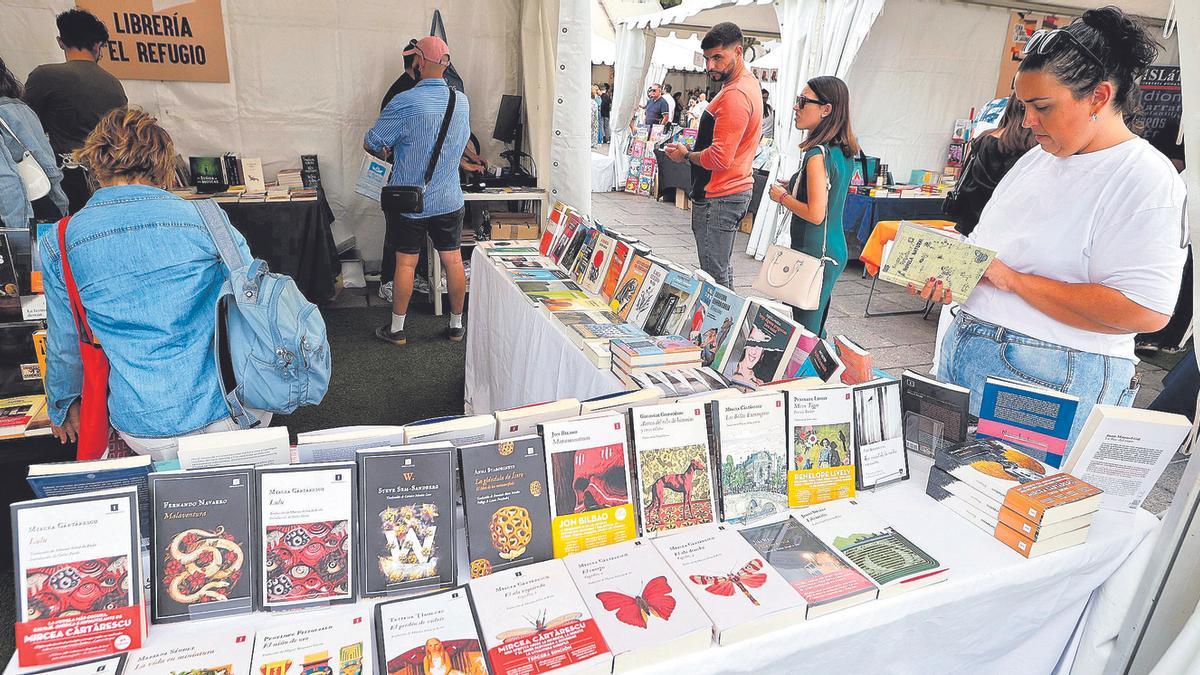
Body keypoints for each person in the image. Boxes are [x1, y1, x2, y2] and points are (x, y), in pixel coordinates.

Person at [917, 7, 1187, 450]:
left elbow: (1145, 311)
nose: (1027, 122)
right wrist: (958, 268)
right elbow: (1000, 254)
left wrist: (1013, 281)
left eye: (1042, 107)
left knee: (1006, 505)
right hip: (973, 352)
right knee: (946, 493)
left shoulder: (1144, 177)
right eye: (1024, 107)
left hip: (1047, 374)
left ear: (1099, 97)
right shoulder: (1038, 158)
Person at [40, 107, 268, 460]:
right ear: (163, 164)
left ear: (96, 164)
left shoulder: (62, 239)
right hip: (231, 407)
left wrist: (64, 404)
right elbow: (255, 299)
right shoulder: (206, 218)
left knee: (171, 507)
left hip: (144, 424)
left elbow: (65, 341)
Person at [365, 36, 471, 345]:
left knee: (406, 263)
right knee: (453, 260)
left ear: (418, 63)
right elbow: (460, 143)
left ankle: (397, 329)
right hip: (450, 198)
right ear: (446, 64)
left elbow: (372, 141)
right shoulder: (461, 101)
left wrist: (388, 148)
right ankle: (455, 326)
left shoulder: (404, 101)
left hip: (409, 200)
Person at [664, 22, 762, 289]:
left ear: (738, 52)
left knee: (714, 278)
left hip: (720, 194)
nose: (710, 66)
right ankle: (727, 328)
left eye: (718, 57)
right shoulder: (745, 84)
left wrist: (686, 156)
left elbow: (720, 158)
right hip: (728, 190)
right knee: (719, 271)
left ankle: (723, 329)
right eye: (707, 59)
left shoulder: (736, 94)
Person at [767, 76, 858, 336]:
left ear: (826, 109)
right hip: (828, 248)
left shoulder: (817, 153)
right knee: (812, 325)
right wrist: (795, 187)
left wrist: (781, 197)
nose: (797, 107)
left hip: (815, 251)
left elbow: (816, 213)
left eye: (803, 101)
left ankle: (809, 374)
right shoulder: (842, 151)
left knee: (802, 333)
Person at [23, 9, 126, 214]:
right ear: (98, 45)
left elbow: (26, 127)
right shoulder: (114, 84)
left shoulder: (45, 75)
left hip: (64, 181)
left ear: (61, 42)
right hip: (109, 177)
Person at [947, 94, 1036, 235]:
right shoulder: (1034, 149)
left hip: (970, 222)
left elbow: (967, 176)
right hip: (1003, 226)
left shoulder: (985, 137)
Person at [377, 38, 422, 303]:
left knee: (414, 231)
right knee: (396, 230)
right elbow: (379, 141)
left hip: (415, 177)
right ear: (418, 63)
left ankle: (412, 277)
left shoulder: (415, 90)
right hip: (399, 176)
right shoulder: (400, 95)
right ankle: (387, 280)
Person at [0, 56, 68, 227]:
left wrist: (19, 240)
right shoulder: (22, 108)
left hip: (16, 219)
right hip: (44, 208)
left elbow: (7, 184)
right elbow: (50, 170)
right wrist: (60, 212)